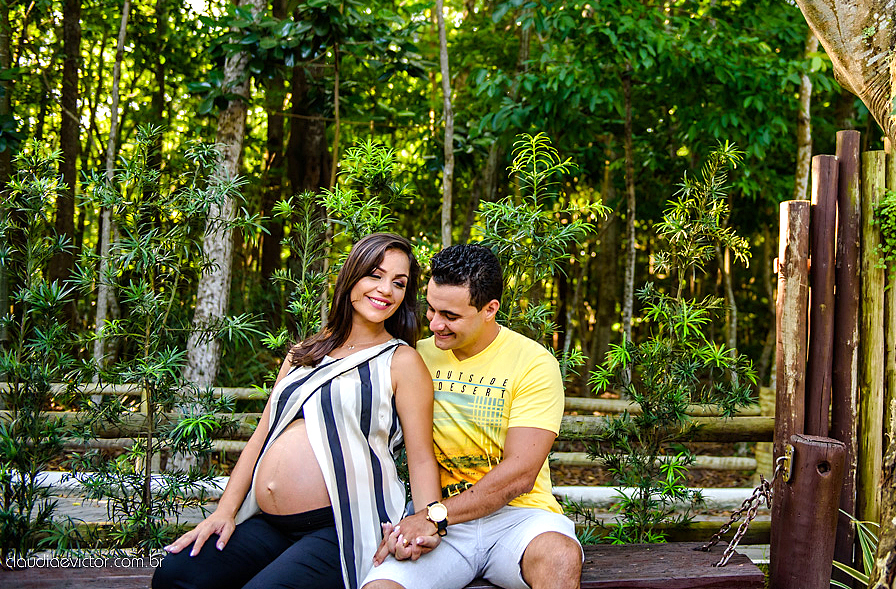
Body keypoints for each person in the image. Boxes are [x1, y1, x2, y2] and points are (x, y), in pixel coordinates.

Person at [154, 232, 442, 589]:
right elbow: (263, 434)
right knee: (175, 577)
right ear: (351, 277)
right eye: (375, 274)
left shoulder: (401, 361)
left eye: (398, 283)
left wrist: (430, 520)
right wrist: (224, 513)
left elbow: (421, 458)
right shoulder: (305, 351)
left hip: (343, 525)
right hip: (270, 524)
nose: (386, 289)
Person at [363, 243, 583, 589]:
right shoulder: (413, 357)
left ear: (489, 309)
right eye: (431, 310)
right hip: (442, 520)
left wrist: (434, 517)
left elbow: (520, 474)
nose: (435, 325)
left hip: (520, 517)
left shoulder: (533, 363)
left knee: (559, 555)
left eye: (450, 316)